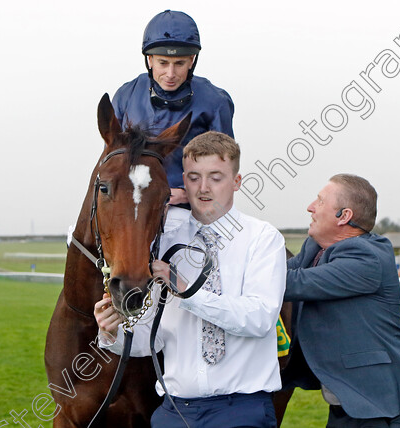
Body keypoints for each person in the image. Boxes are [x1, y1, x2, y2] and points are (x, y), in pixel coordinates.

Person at [94, 132, 286, 428]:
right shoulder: (162, 242)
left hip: (242, 410)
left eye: (216, 177)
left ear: (236, 182)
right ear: (183, 180)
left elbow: (259, 319)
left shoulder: (262, 238)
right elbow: (151, 339)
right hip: (174, 412)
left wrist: (185, 291)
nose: (204, 188)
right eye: (194, 178)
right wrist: (112, 334)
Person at [282, 174, 400, 427]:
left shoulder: (366, 257)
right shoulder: (315, 248)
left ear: (343, 216)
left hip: (385, 412)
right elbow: (275, 272)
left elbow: (291, 283)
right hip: (351, 406)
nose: (310, 207)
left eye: (320, 202)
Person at [112, 10, 234, 227]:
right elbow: (112, 161)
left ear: (192, 61)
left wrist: (186, 194)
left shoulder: (216, 101)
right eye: (162, 63)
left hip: (188, 210)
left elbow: (224, 172)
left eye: (179, 63)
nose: (170, 74)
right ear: (149, 60)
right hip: (134, 206)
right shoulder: (125, 96)